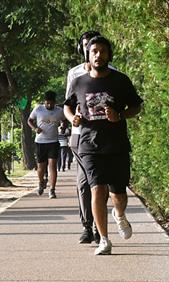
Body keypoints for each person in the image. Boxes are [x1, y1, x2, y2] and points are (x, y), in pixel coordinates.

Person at [64, 36, 143, 255]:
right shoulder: (79, 82)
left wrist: (120, 114)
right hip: (89, 145)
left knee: (118, 194)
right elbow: (67, 107)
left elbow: (136, 107)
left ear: (109, 55)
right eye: (94, 51)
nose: (98, 55)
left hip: (116, 144)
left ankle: (119, 214)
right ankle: (104, 240)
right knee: (97, 190)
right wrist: (73, 119)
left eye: (102, 51)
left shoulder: (120, 80)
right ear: (88, 55)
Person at [65, 30, 116, 245]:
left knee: (101, 183)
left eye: (96, 48)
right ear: (82, 50)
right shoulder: (74, 74)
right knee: (84, 182)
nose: (92, 52)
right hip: (80, 135)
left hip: (106, 136)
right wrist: (72, 119)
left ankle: (99, 225)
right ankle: (87, 225)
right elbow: (68, 103)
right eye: (87, 47)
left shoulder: (113, 73)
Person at [28, 91, 66, 199]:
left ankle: (52, 190)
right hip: (40, 142)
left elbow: (64, 120)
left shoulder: (59, 111)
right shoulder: (38, 109)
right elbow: (29, 120)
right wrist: (35, 128)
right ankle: (41, 182)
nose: (49, 105)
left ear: (55, 102)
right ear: (44, 102)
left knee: (52, 166)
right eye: (47, 103)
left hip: (53, 142)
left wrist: (62, 127)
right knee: (41, 167)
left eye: (51, 103)